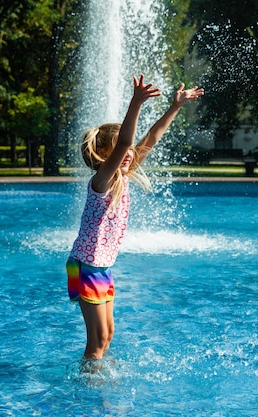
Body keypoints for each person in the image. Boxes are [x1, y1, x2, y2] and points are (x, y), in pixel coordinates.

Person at [66, 74, 204, 365]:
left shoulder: (123, 177)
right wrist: (136, 103)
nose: (128, 153)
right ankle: (87, 390)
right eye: (119, 150)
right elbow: (127, 140)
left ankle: (97, 377)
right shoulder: (101, 181)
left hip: (101, 266)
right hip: (85, 266)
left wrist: (174, 107)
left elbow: (150, 137)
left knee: (109, 334)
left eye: (128, 151)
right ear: (104, 154)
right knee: (97, 340)